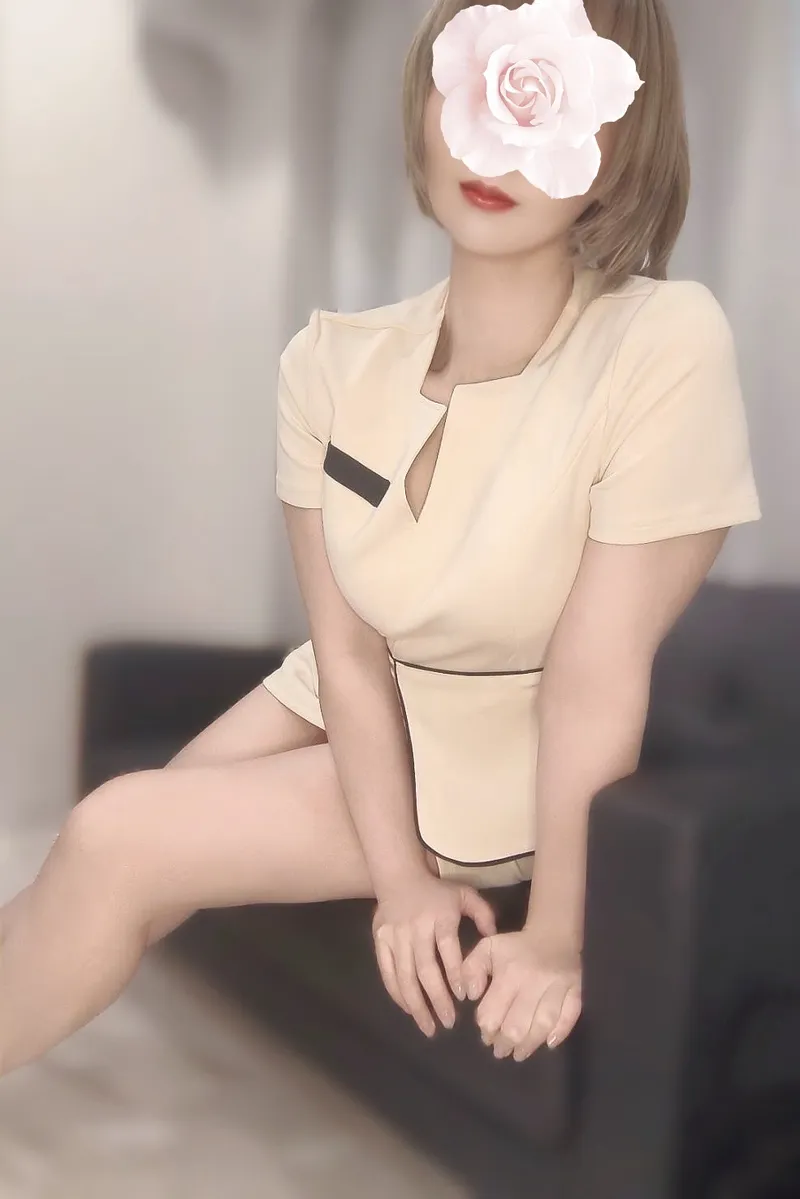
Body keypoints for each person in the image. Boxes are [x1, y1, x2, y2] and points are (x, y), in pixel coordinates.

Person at [0, 0, 761, 1077]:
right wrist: (397, 879)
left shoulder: (661, 342)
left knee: (114, 834)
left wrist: (554, 932)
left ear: (617, 145)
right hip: (350, 688)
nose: (495, 145)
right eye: (477, 88)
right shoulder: (330, 362)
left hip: (493, 747)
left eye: (548, 101)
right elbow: (345, 651)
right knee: (95, 867)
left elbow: (594, 677)